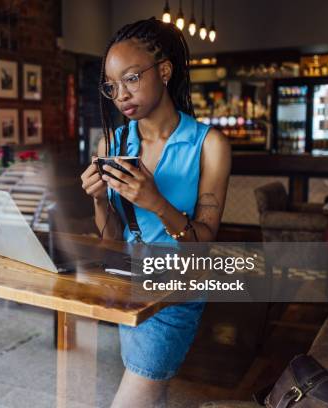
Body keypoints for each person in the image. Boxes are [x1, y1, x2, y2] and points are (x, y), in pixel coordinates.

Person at [79, 17, 231, 407]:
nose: (121, 95)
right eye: (111, 86)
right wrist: (98, 199)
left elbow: (204, 244)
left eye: (131, 78)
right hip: (128, 283)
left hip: (176, 293)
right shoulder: (111, 143)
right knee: (150, 389)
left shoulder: (208, 144)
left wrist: (157, 203)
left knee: (135, 393)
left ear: (164, 71)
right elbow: (111, 239)